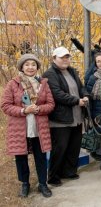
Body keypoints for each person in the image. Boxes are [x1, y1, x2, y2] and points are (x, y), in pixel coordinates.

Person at [1, 54, 55, 198]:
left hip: (39, 128)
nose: (30, 67)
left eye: (33, 65)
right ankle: (25, 183)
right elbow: (5, 105)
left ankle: (43, 184)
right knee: (21, 157)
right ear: (22, 67)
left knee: (41, 156)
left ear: (37, 67)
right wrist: (23, 110)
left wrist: (39, 109)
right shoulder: (13, 84)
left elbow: (50, 104)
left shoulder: (43, 83)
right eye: (27, 64)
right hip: (19, 128)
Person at [43, 47, 89, 187]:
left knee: (74, 146)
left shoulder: (72, 71)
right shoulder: (50, 74)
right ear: (54, 58)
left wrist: (85, 95)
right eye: (62, 57)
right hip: (60, 119)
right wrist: (77, 101)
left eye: (67, 57)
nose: (65, 60)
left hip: (76, 117)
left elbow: (81, 88)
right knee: (60, 148)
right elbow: (57, 94)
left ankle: (68, 171)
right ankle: (53, 176)